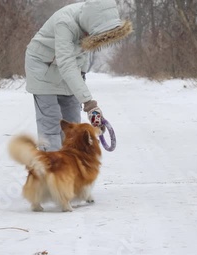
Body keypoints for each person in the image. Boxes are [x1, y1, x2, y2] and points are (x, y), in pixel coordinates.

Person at [24, 0, 132, 151]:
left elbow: (81, 55)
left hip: (65, 67)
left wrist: (93, 113)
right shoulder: (65, 23)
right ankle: (53, 170)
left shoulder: (90, 16)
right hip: (42, 66)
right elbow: (66, 63)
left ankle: (71, 169)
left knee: (73, 128)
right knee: (50, 125)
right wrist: (89, 103)